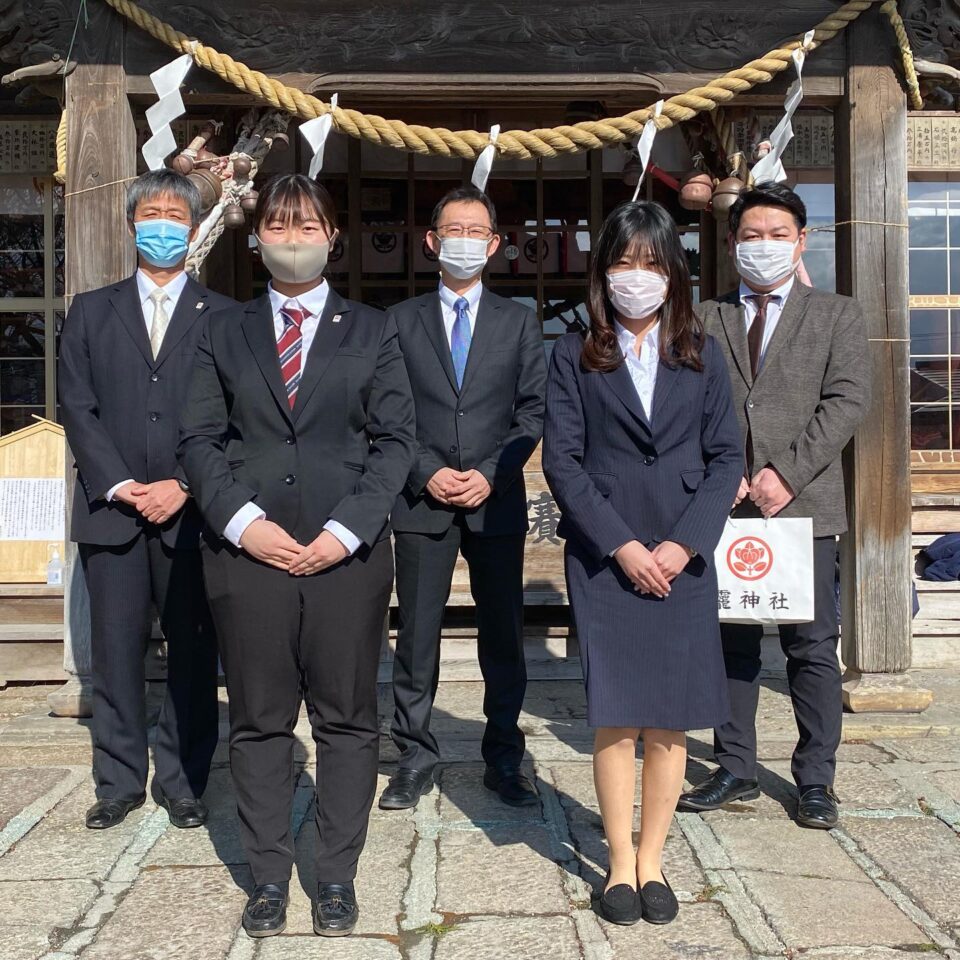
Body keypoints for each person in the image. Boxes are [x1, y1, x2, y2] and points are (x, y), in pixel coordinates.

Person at [177, 173, 416, 938]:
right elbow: (198, 441)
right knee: (260, 720)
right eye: (278, 224)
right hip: (248, 557)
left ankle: (336, 876)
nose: (293, 236)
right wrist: (244, 523)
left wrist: (346, 531)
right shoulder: (220, 330)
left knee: (347, 719)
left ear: (332, 237)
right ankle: (269, 875)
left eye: (308, 224)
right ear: (255, 238)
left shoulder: (373, 330)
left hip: (344, 556)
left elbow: (396, 442)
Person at [542, 200, 743, 926]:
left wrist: (684, 543)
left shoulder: (704, 352)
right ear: (603, 271)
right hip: (605, 557)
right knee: (617, 717)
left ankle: (654, 858)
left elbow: (727, 460)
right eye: (624, 261)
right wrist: (623, 545)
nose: (637, 277)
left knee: (670, 722)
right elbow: (563, 462)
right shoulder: (572, 353)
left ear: (673, 273)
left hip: (682, 557)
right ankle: (618, 862)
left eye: (652, 263)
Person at [678, 181, 871, 829]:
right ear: (732, 245)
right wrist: (724, 470)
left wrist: (784, 473)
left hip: (804, 504)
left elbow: (846, 401)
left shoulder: (837, 314)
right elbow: (688, 405)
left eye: (777, 235)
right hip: (726, 507)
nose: (764, 246)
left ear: (801, 241)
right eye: (751, 236)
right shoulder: (707, 317)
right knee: (730, 640)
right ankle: (735, 768)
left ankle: (816, 779)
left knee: (811, 648)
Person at [59, 169, 231, 831]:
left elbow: (230, 413)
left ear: (193, 229)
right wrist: (122, 483)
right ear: (133, 224)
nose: (163, 224)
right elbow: (78, 406)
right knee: (116, 650)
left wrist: (186, 483)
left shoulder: (223, 316)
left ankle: (183, 780)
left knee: (193, 651)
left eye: (176, 215)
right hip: (113, 510)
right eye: (152, 212)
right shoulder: (92, 310)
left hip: (191, 514)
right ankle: (118, 780)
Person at [378, 186, 546, 811]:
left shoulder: (518, 322)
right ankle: (414, 756)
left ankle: (505, 756)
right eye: (454, 229)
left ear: (496, 244)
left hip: (493, 501)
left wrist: (491, 474)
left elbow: (532, 411)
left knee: (502, 635)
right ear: (432, 241)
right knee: (416, 635)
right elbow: (389, 414)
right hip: (422, 503)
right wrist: (426, 473)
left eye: (478, 231)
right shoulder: (398, 322)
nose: (465, 241)